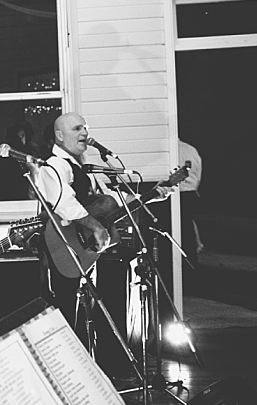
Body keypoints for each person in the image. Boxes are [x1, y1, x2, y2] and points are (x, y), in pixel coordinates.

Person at [34, 112, 172, 332]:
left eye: (85, 128)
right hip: (62, 247)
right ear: (59, 135)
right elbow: (64, 204)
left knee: (87, 315)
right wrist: (96, 227)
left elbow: (111, 199)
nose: (84, 133)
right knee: (65, 314)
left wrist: (152, 195)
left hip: (86, 251)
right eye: (77, 128)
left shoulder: (85, 167)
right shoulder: (53, 166)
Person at [177, 138, 203, 283]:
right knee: (188, 226)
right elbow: (198, 172)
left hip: (178, 193)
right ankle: (192, 263)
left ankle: (182, 266)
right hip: (190, 192)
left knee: (180, 229)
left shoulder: (170, 150)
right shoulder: (191, 150)